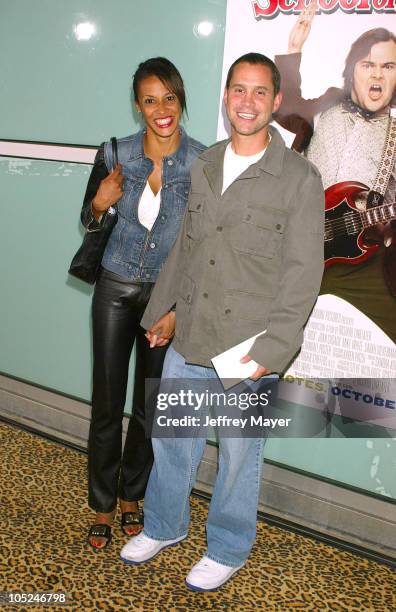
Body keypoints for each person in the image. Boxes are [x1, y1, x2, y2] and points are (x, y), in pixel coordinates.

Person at [119, 53, 324, 590]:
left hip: (252, 348)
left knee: (238, 455)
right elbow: (188, 250)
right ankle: (165, 525)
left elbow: (304, 275)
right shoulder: (205, 163)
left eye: (260, 92)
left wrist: (274, 349)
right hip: (193, 333)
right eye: (239, 90)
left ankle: (228, 547)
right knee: (173, 439)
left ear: (276, 102)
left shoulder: (300, 178)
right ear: (226, 97)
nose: (247, 102)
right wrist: (164, 311)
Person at [80, 57, 206, 550]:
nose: (161, 109)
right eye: (150, 100)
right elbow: (89, 225)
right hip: (114, 289)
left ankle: (132, 496)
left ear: (181, 100)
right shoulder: (115, 153)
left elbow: (200, 244)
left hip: (164, 298)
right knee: (108, 405)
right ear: (138, 106)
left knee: (150, 408)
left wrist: (178, 308)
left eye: (169, 98)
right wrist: (98, 203)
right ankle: (101, 504)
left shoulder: (202, 162)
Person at [275, 6, 396, 341]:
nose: (377, 75)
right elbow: (287, 107)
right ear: (351, 70)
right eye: (368, 64)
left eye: (388, 66)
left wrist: (387, 227)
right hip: (299, 246)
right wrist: (293, 48)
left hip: (358, 261)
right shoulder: (328, 105)